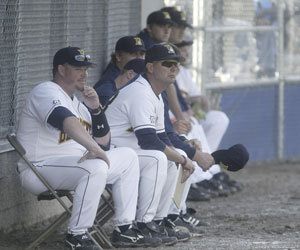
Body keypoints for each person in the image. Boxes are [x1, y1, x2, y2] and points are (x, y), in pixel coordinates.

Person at [16, 46, 159, 249]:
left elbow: (104, 143)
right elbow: (64, 120)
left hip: (74, 166)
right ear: (62, 70)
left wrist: (96, 108)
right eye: (78, 68)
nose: (84, 74)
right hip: (40, 168)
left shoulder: (79, 103)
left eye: (86, 69)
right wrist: (96, 150)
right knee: (96, 167)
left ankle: (124, 229)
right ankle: (76, 236)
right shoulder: (46, 91)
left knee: (128, 157)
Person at [104, 43, 215, 240]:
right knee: (159, 157)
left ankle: (159, 220)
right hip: (113, 152)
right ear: (150, 67)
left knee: (174, 155)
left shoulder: (155, 93)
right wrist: (184, 160)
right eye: (167, 63)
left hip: (132, 150)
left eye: (176, 64)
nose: (174, 68)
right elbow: (149, 141)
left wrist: (184, 154)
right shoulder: (140, 91)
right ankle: (144, 223)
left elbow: (162, 137)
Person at [254, 0, 277, 78]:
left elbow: (276, 11)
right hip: (259, 64)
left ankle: (268, 69)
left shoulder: (271, 32)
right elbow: (257, 14)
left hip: (270, 65)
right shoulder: (257, 2)